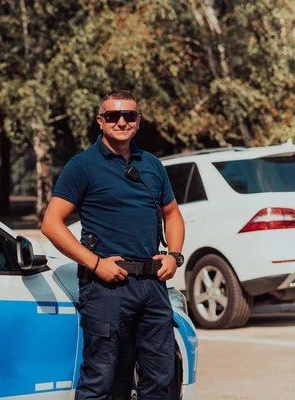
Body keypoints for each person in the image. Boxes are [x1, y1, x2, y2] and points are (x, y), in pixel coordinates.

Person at [41, 90, 185, 399]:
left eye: (129, 115)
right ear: (100, 121)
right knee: (102, 380)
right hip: (107, 289)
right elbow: (51, 224)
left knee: (160, 380)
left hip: (152, 286)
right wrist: (94, 263)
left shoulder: (152, 165)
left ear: (138, 120)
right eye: (112, 116)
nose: (121, 121)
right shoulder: (82, 166)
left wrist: (174, 256)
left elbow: (172, 214)